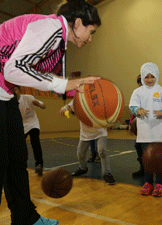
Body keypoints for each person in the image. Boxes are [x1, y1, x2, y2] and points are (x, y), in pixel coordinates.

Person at [0, 0, 101, 224]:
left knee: (17, 159)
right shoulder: (51, 28)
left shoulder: (58, 41)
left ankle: (25, 218)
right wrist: (63, 84)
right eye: (91, 31)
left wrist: (75, 91)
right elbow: (13, 69)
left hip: (5, 96)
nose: (90, 38)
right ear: (77, 23)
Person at [129, 62, 162, 197]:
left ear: (157, 76)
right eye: (146, 77)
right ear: (142, 77)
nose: (149, 80)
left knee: (159, 159)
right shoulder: (137, 92)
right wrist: (137, 110)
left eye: (152, 76)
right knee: (147, 159)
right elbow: (132, 106)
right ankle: (148, 183)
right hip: (144, 132)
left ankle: (159, 184)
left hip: (159, 131)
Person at [60, 100, 115, 185]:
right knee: (80, 153)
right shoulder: (78, 99)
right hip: (85, 132)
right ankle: (83, 168)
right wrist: (64, 109)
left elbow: (107, 111)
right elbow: (69, 108)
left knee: (102, 150)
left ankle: (107, 173)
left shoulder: (97, 98)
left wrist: (110, 122)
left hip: (100, 131)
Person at [14, 85, 46, 176]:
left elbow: (44, 106)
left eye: (15, 90)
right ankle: (21, 165)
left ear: (20, 90)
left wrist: (39, 104)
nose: (14, 92)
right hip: (21, 126)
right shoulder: (11, 102)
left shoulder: (28, 98)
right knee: (20, 146)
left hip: (33, 123)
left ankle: (39, 164)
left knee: (35, 141)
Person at [130, 75, 144, 178]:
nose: (141, 84)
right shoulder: (136, 94)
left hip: (152, 127)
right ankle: (143, 169)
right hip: (140, 127)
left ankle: (159, 171)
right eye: (139, 82)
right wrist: (131, 123)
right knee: (138, 146)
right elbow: (133, 109)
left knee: (154, 149)